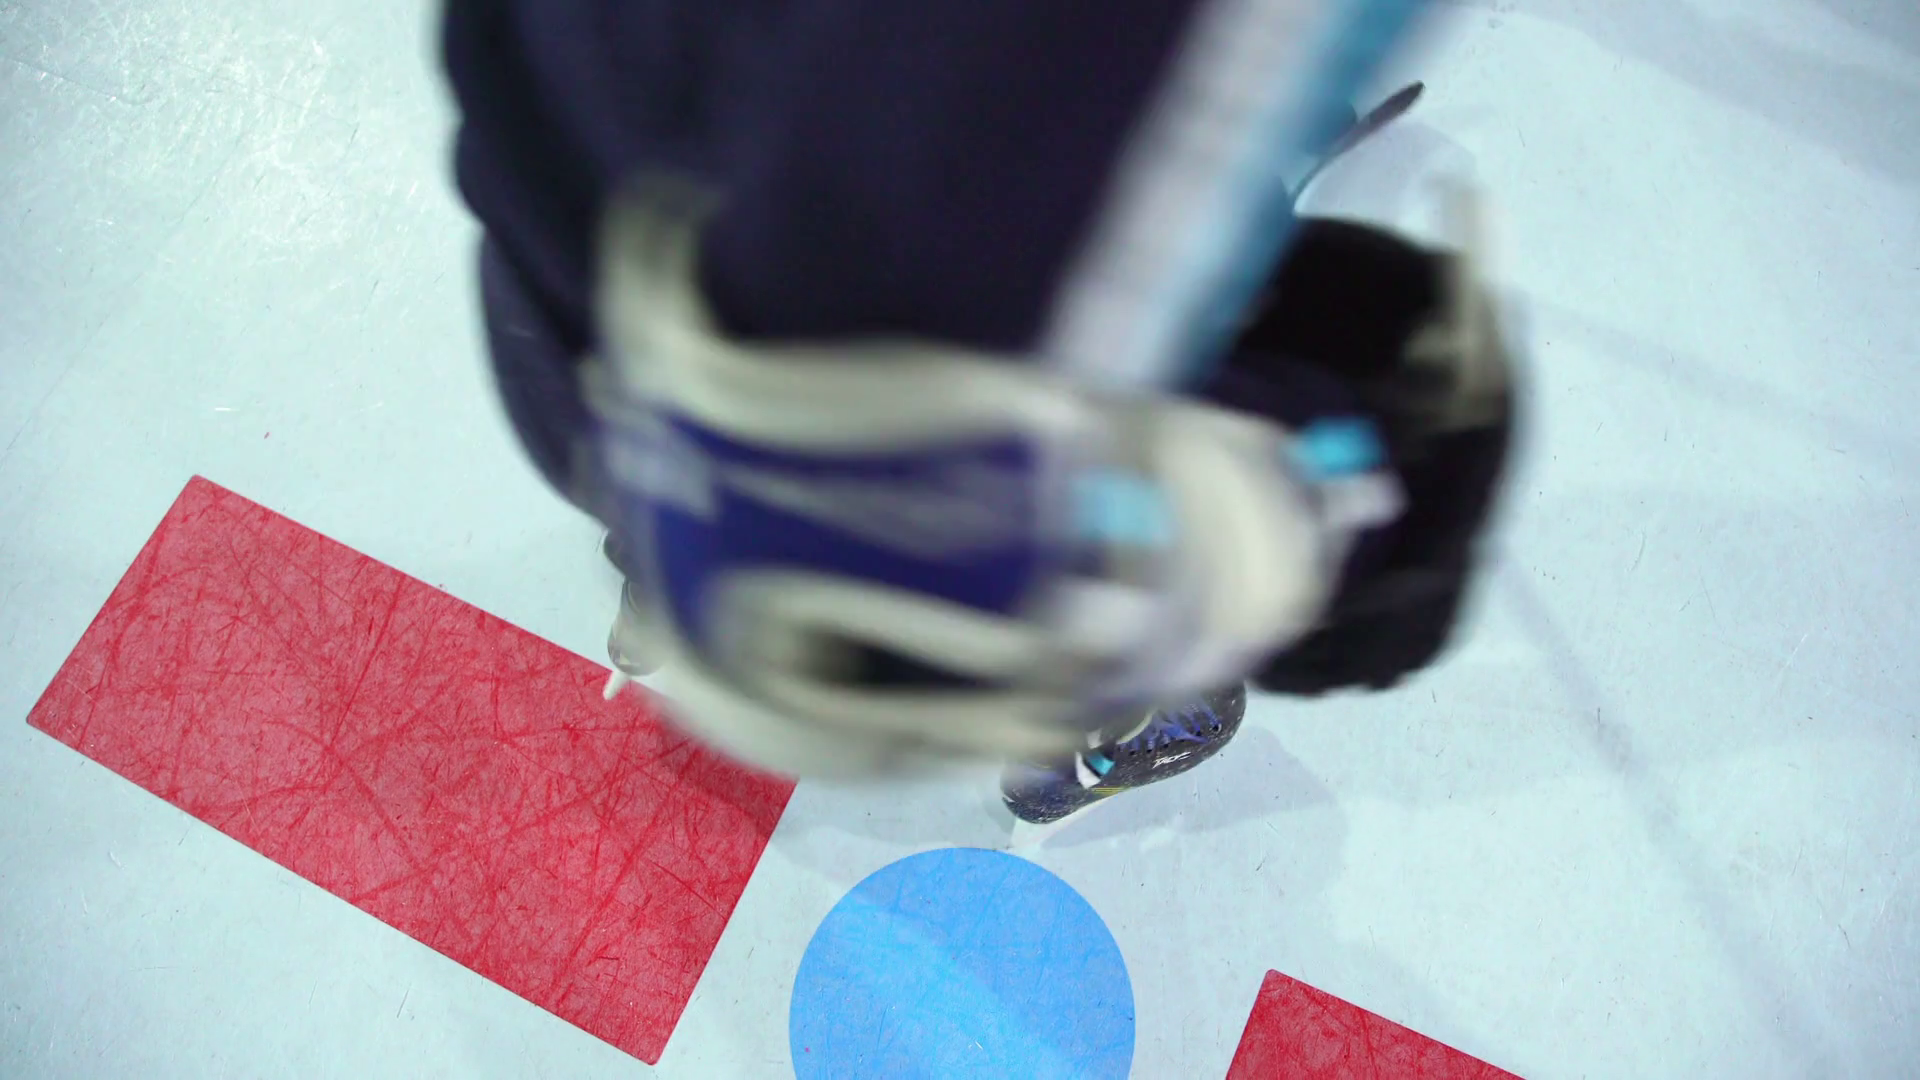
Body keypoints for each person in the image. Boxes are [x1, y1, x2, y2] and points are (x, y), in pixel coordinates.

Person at [440, 0, 1517, 827]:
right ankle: (1076, 751)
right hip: (849, 470)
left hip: (574, 298)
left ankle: (651, 586)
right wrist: (1353, 517)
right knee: (1103, 527)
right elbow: (852, 534)